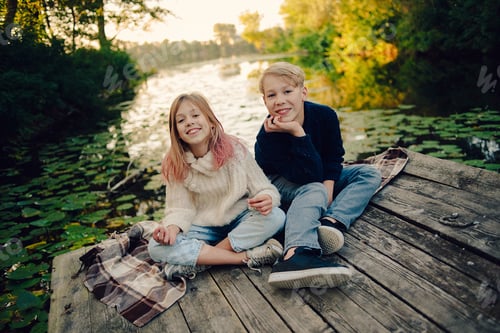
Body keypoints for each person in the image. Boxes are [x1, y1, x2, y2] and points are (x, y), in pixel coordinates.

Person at [254, 62, 382, 289]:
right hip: (279, 186)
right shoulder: (267, 137)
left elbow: (334, 157)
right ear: (265, 101)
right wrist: (297, 133)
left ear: (303, 92)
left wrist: (330, 186)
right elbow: (306, 177)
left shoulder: (325, 115)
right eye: (271, 95)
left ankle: (332, 222)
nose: (280, 100)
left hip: (317, 177)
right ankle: (296, 254)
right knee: (314, 189)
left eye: (287, 91)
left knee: (368, 173)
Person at [148, 92, 286, 280]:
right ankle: (243, 258)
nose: (189, 122)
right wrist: (171, 230)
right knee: (155, 247)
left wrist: (268, 198)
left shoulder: (234, 150)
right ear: (176, 132)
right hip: (203, 227)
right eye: (181, 120)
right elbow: (179, 209)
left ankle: (206, 259)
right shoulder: (175, 164)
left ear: (211, 120)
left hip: (240, 218)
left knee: (276, 216)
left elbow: (264, 188)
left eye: (195, 115)